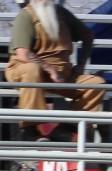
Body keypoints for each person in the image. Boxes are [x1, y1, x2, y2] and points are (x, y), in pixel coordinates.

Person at [5, 0, 104, 138]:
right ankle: (31, 128)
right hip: (25, 69)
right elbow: (23, 54)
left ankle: (69, 127)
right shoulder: (25, 16)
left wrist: (80, 65)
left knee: (96, 84)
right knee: (31, 69)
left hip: (62, 73)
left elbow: (87, 35)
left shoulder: (62, 13)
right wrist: (50, 70)